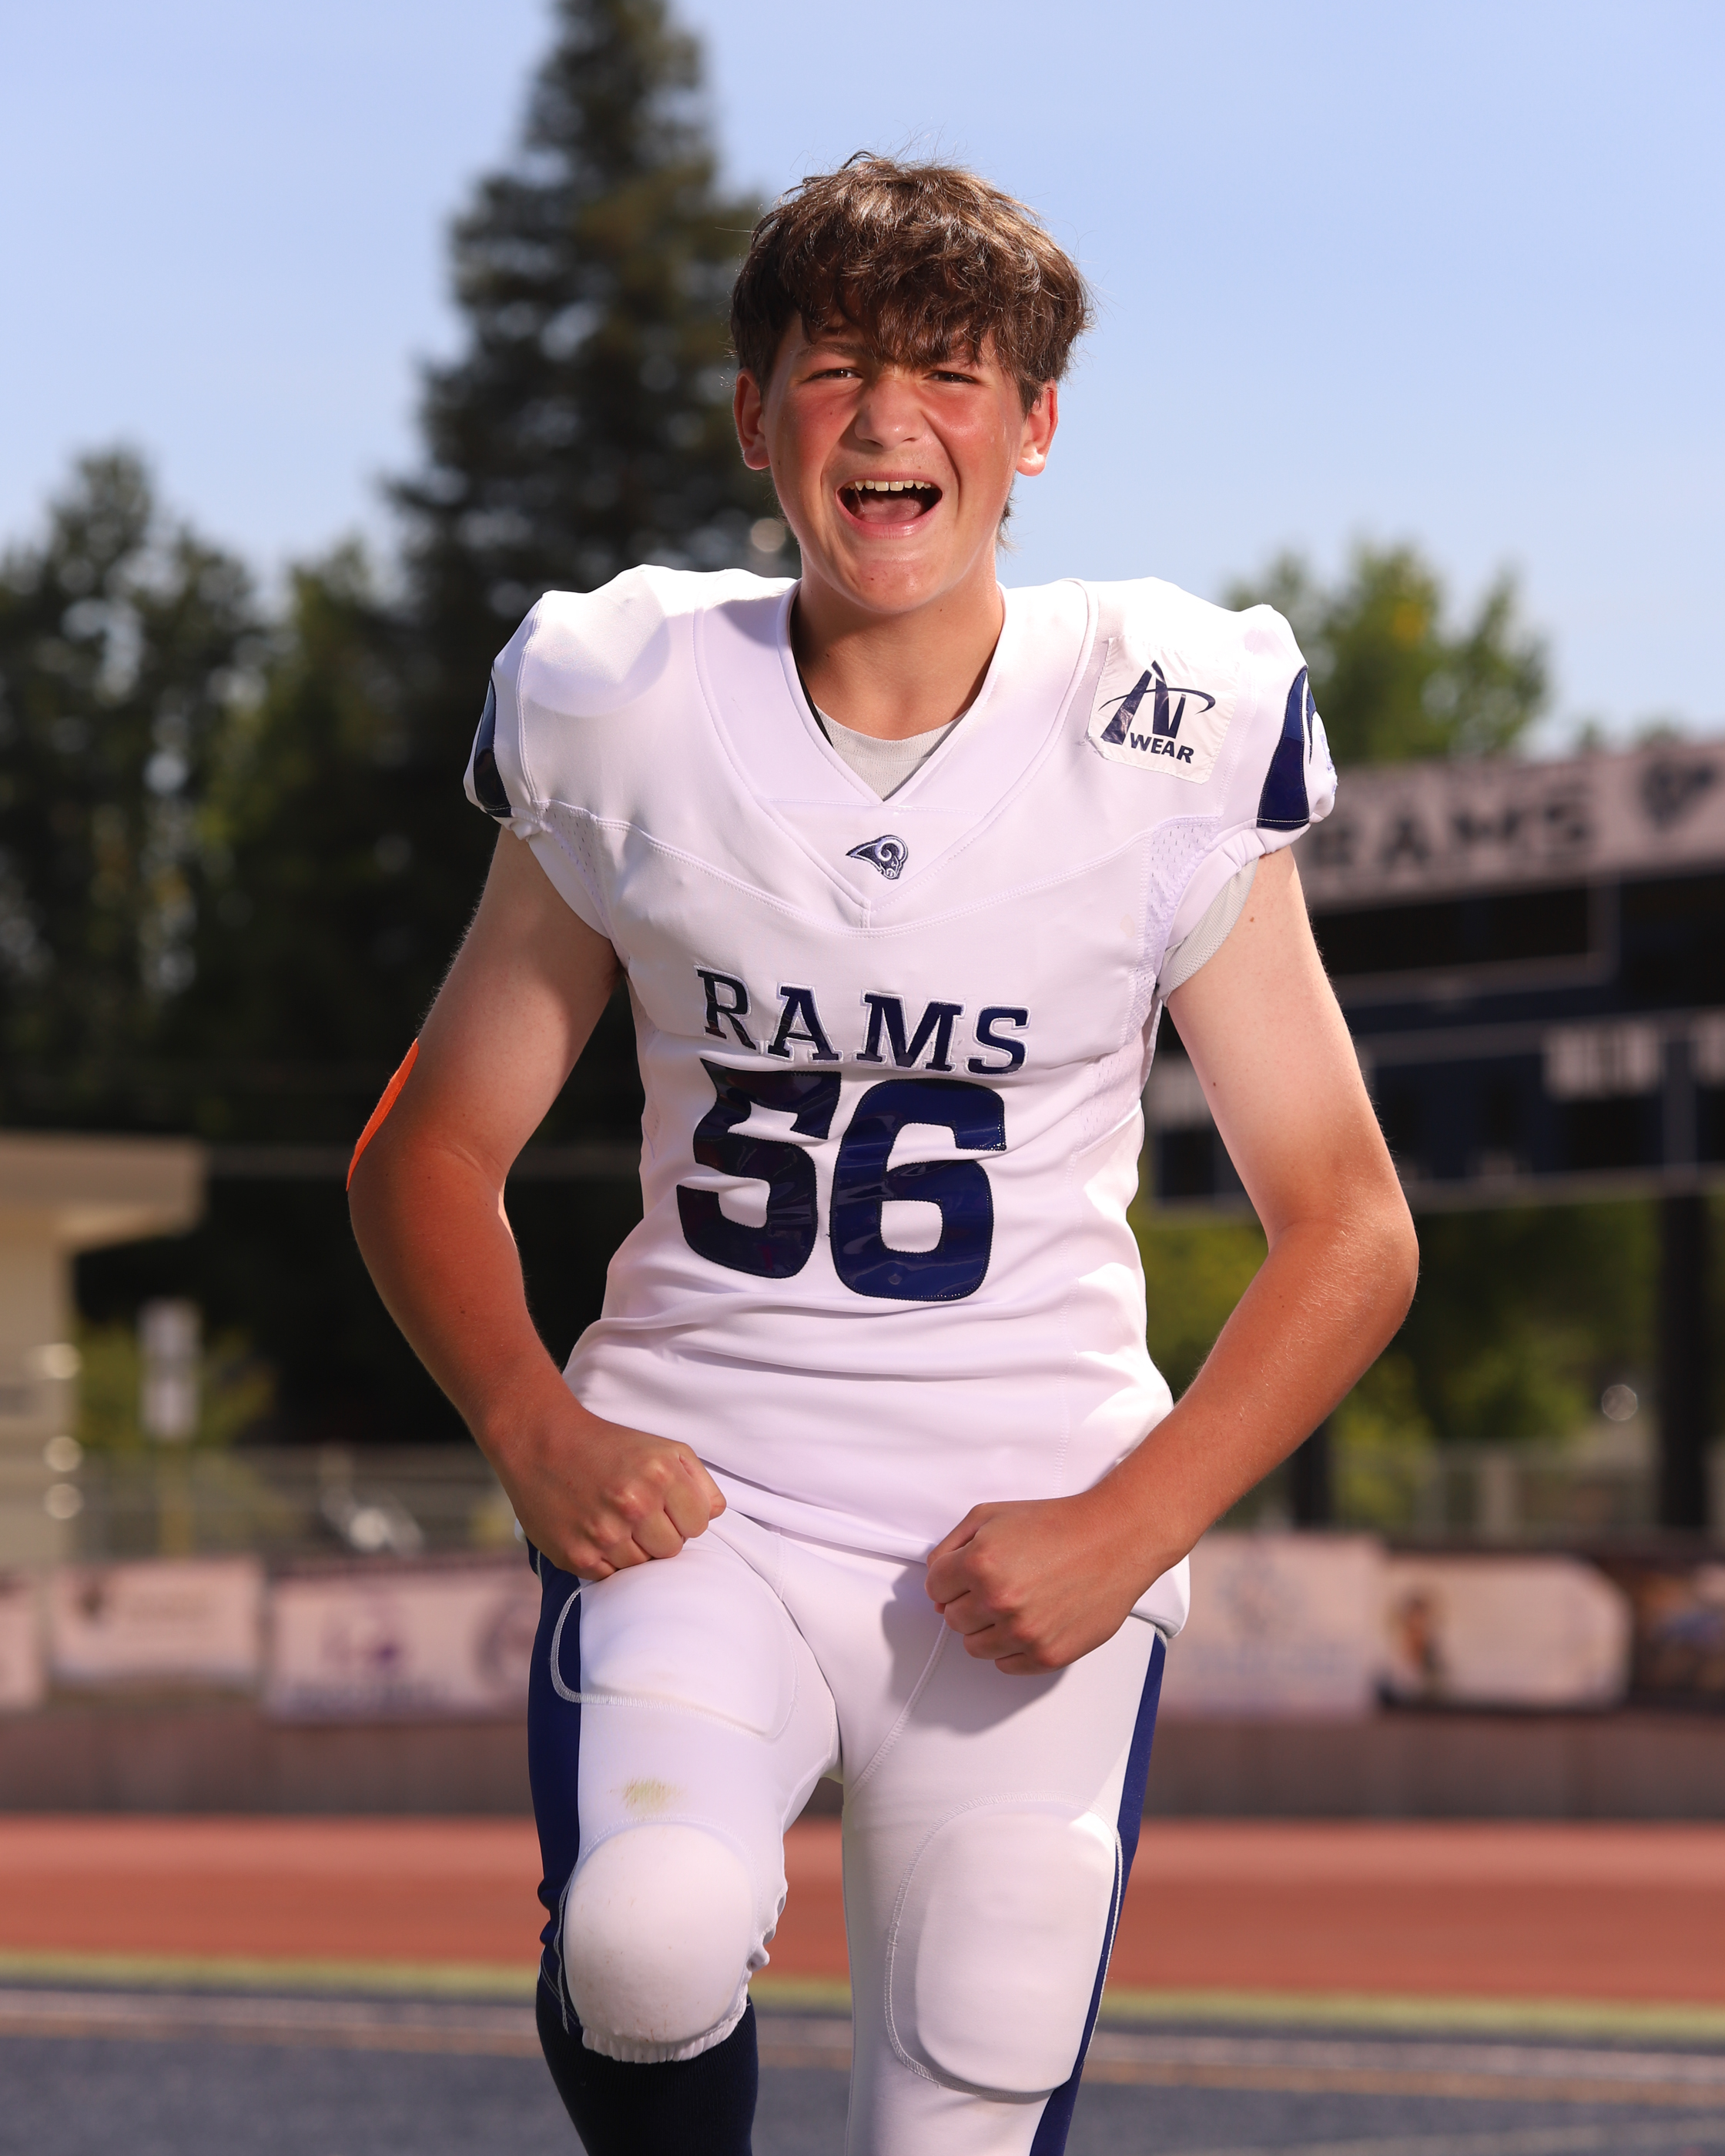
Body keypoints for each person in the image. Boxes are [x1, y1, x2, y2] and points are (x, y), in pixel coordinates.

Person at [347, 155, 1418, 2156]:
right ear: (755, 419)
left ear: (1035, 424)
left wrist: (1130, 1525)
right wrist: (531, 1424)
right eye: (835, 368)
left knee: (978, 2067)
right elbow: (428, 1152)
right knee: (646, 1944)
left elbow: (1349, 1228)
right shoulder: (627, 703)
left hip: (1030, 1520)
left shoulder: (1164, 723)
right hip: (704, 1500)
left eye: (949, 369)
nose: (888, 416)